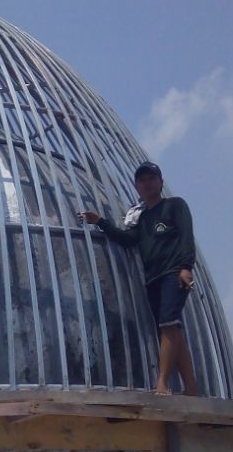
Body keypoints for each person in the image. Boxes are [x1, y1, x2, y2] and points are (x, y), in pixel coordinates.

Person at [78, 161, 200, 396]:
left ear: (161, 182)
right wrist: (100, 221)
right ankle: (192, 386)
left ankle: (162, 383)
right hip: (153, 278)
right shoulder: (141, 217)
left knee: (168, 324)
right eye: (142, 180)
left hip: (173, 274)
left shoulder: (175, 206)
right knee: (170, 328)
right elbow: (127, 240)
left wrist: (186, 267)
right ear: (136, 185)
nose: (146, 184)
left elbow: (186, 235)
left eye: (151, 179)